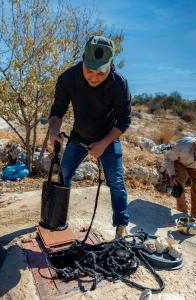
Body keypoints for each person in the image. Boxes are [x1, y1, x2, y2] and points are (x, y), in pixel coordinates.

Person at [48, 35, 132, 238]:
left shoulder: (119, 84)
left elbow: (124, 121)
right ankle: (57, 219)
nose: (93, 77)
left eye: (100, 73)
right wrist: (53, 130)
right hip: (78, 137)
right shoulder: (68, 78)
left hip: (108, 138)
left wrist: (103, 144)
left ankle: (121, 227)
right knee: (64, 176)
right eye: (89, 71)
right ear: (83, 58)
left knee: (116, 182)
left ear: (110, 65)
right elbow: (58, 110)